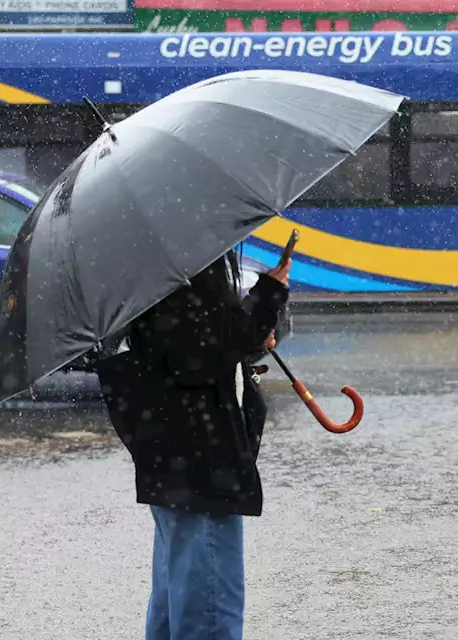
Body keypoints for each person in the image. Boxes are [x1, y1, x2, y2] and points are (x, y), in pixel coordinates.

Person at [96, 249, 290, 640]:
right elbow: (199, 352)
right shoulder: (183, 258)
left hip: (175, 456)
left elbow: (193, 344)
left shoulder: (151, 255)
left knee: (180, 597)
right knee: (208, 610)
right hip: (201, 460)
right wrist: (265, 299)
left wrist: (252, 326)